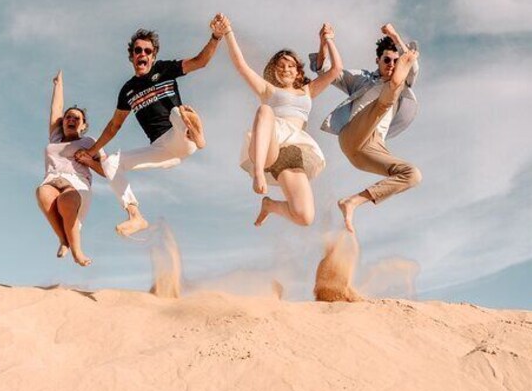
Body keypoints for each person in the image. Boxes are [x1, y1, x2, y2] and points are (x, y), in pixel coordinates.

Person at [77, 25, 220, 236]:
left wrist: (216, 37)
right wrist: (91, 153)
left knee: (178, 113)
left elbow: (201, 61)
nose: (142, 54)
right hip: (162, 150)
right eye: (138, 51)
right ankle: (135, 215)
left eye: (147, 51)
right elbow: (114, 126)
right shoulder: (128, 90)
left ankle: (195, 134)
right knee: (110, 162)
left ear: (153, 56)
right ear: (132, 56)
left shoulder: (164, 69)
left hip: (180, 136)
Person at [211, 13, 343, 227]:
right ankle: (258, 173)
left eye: (290, 65)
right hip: (270, 147)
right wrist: (228, 33)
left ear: (298, 71)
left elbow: (336, 69)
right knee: (265, 111)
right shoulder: (268, 90)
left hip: (295, 151)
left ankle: (270, 205)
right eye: (280, 66)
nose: (286, 69)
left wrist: (326, 40)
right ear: (274, 71)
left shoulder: (307, 91)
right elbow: (241, 65)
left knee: (304, 217)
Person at [311, 23, 421, 233]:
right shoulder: (362, 79)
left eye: (396, 62)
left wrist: (394, 35)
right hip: (353, 134)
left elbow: (412, 65)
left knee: (412, 174)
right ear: (377, 61)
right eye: (386, 60)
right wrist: (324, 41)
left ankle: (352, 202)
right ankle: (392, 86)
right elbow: (324, 70)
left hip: (371, 149)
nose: (391, 64)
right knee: (385, 101)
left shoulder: (405, 84)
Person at [36, 71, 106, 266]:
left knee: (66, 201)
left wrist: (90, 161)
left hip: (77, 183)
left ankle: (77, 251)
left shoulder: (89, 141)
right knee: (42, 193)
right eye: (68, 117)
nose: (71, 119)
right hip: (51, 178)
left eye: (77, 118)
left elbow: (107, 170)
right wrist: (58, 85)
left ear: (83, 126)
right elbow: (56, 108)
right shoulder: (55, 137)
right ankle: (63, 240)